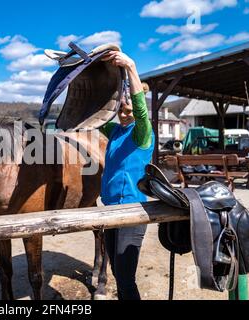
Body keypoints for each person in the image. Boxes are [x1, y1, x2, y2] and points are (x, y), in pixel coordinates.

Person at [99, 51, 154, 300]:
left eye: (128, 109)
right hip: (110, 210)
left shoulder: (141, 133)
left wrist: (130, 66)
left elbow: (140, 111)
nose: (124, 113)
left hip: (131, 210)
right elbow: (94, 117)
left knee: (126, 279)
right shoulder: (114, 131)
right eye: (121, 108)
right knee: (116, 271)